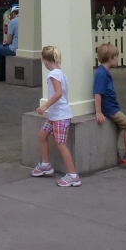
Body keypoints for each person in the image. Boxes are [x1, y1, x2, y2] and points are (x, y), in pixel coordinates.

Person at [30, 45, 80, 187]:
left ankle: (73, 175)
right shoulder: (60, 73)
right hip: (55, 115)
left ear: (45, 61)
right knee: (42, 135)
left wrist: (45, 106)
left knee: (60, 144)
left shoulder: (53, 75)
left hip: (59, 115)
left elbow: (58, 93)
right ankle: (45, 165)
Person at [95, 43, 126, 169]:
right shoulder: (102, 74)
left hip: (112, 106)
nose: (117, 59)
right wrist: (98, 111)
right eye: (116, 57)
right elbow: (98, 93)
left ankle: (113, 153)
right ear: (110, 58)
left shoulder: (104, 72)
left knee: (118, 128)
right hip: (110, 108)